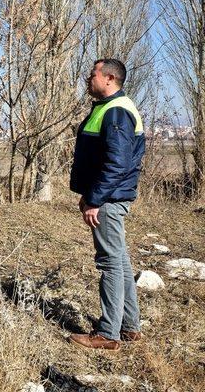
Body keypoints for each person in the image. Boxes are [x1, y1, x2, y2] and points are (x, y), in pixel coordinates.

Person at [68, 59, 145, 351]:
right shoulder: (108, 108)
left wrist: (95, 199)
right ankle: (129, 326)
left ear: (110, 78)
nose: (88, 78)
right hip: (107, 197)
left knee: (110, 263)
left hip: (109, 201)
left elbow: (117, 163)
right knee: (120, 260)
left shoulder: (116, 112)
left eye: (93, 74)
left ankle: (108, 333)